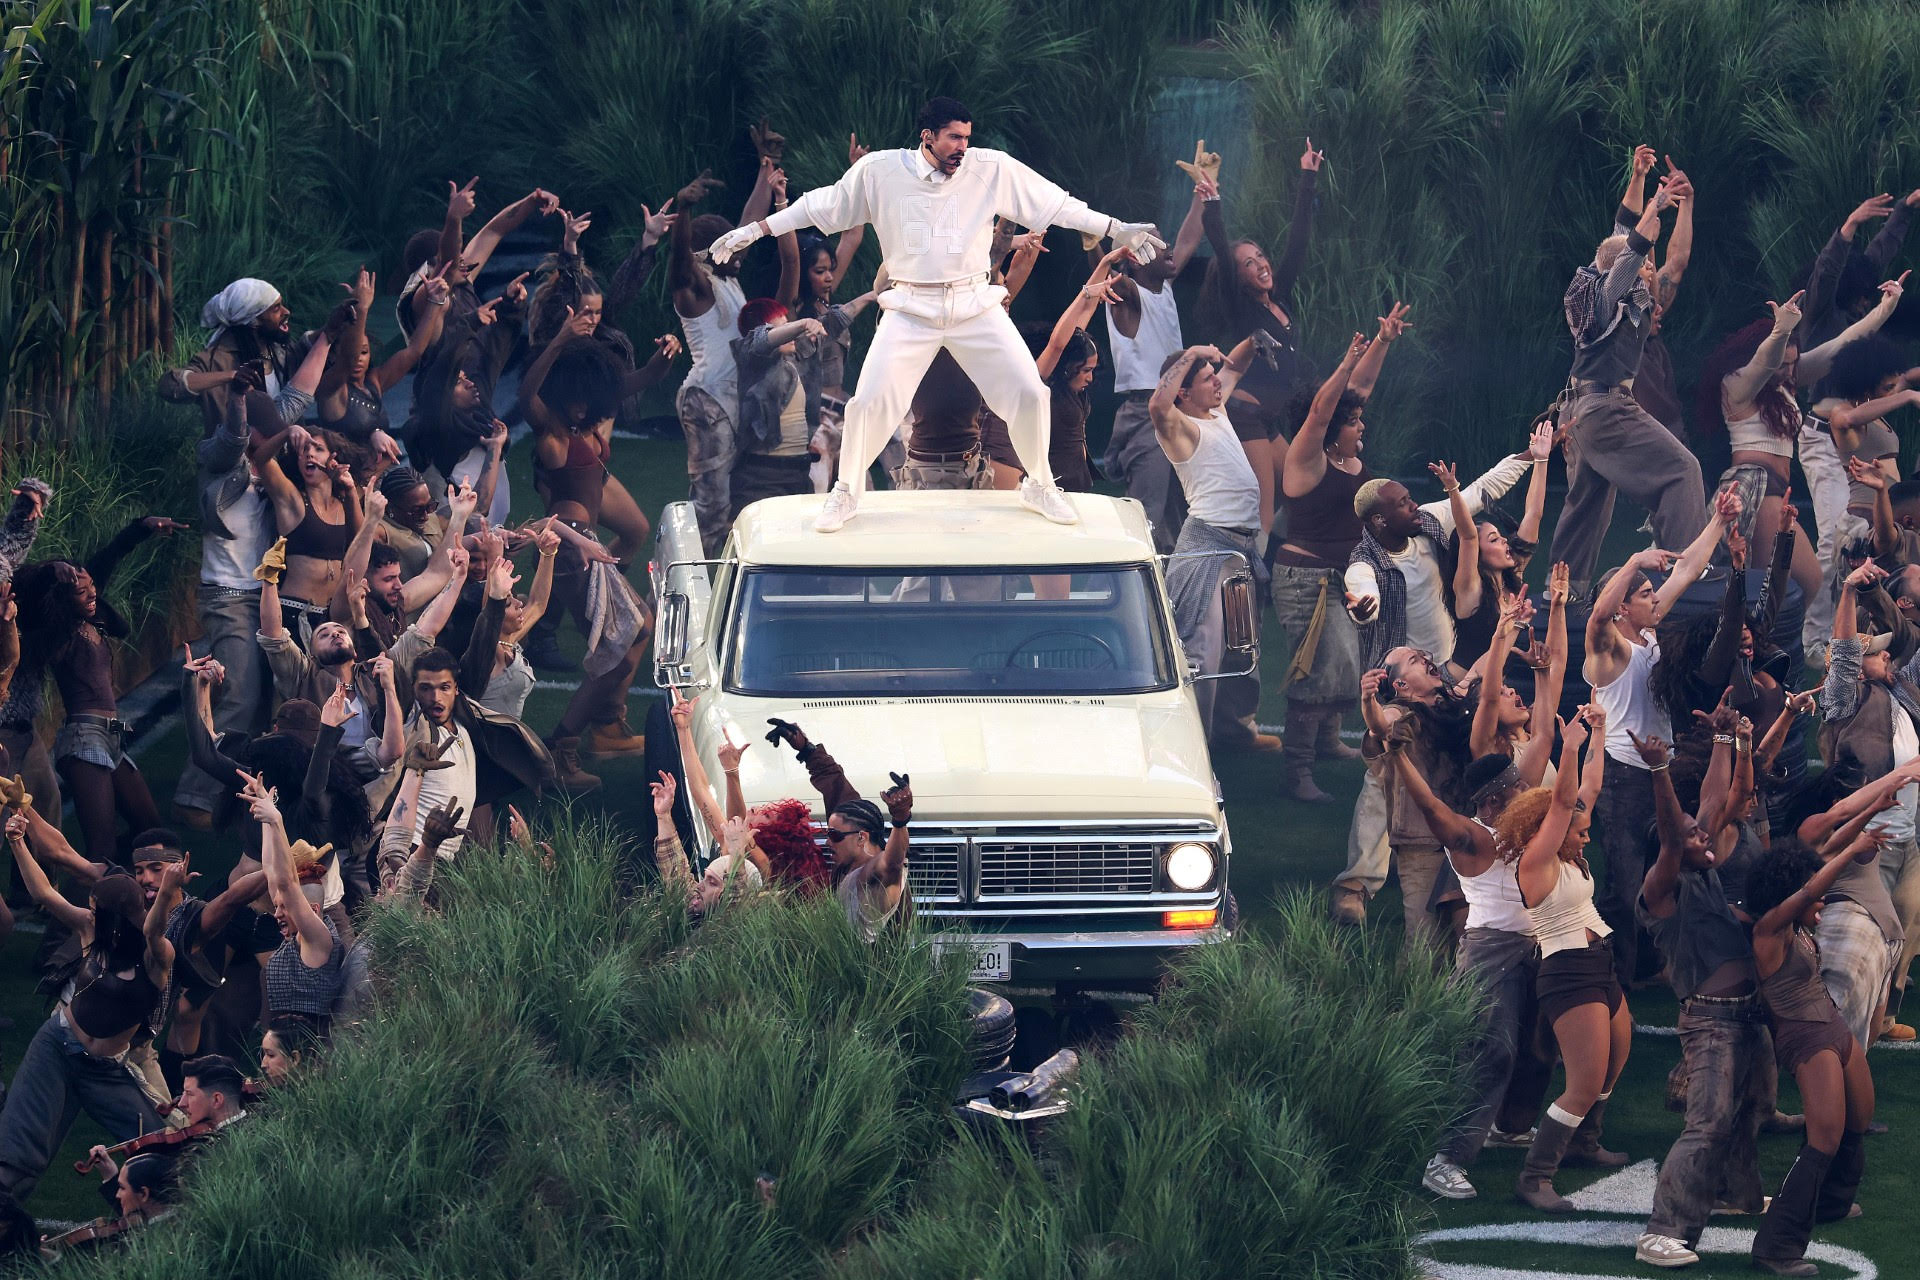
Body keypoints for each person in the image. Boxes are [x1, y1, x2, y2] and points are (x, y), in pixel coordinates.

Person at [708, 96, 1165, 533]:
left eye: (966, 138)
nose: (961, 148)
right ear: (927, 137)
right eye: (952, 138)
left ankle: (1040, 485)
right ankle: (846, 491)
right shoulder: (880, 171)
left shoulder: (990, 168)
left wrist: (1114, 226)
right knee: (869, 402)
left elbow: (1056, 204)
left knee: (1029, 390)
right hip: (910, 307)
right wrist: (754, 230)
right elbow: (819, 205)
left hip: (973, 305)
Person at [1629, 730, 1772, 1268]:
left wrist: (1726, 737)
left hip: (1748, 1017)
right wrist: (1659, 770)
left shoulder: (1707, 875)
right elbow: (1673, 835)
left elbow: (1711, 803)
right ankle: (1661, 1232)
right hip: (1711, 1023)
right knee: (1708, 1122)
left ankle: (1738, 1195)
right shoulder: (1662, 890)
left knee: (1752, 1108)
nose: (1704, 836)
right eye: (1694, 836)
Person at [1583, 490, 1737, 987]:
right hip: (1623, 779)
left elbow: (1688, 569)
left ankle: (1653, 962)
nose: (1657, 598)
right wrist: (1631, 560)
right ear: (1626, 604)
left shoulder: (1647, 633)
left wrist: (1717, 518)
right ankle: (1616, 978)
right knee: (1626, 880)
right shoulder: (1608, 651)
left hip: (1658, 770)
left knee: (1673, 859)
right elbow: (1596, 618)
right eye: (1646, 594)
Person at [1745, 814, 1890, 1277]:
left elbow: (1815, 865)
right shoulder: (1769, 929)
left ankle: (1831, 1203)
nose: (1821, 898)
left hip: (1831, 1027)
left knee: (1859, 1117)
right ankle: (1776, 1246)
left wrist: (1858, 829)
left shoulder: (1798, 928)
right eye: (1811, 893)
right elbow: (1810, 887)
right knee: (1823, 1136)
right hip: (1805, 1038)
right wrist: (1850, 853)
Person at [1548, 169, 1705, 594]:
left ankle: (1564, 589)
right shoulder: (1607, 296)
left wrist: (1640, 181)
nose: (1651, 269)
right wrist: (1656, 206)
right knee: (1682, 470)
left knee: (1588, 502)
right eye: (1645, 265)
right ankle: (1684, 577)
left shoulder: (1601, 293)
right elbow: (1628, 254)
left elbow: (1620, 235)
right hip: (1605, 408)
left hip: (1580, 413)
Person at [1272, 317, 1407, 800]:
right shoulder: (1307, 458)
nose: (1360, 424)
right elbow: (1321, 410)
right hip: (1307, 579)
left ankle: (1328, 743)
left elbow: (1358, 390)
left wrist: (1382, 344)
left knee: (1346, 666)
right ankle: (1299, 772)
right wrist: (1347, 359)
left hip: (1345, 578)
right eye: (1351, 422)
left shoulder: (1347, 455)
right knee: (1318, 668)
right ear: (1330, 428)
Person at [1394, 746, 1536, 1202]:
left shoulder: (1517, 822)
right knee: (1488, 1053)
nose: (1527, 791)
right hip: (1489, 956)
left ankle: (1506, 1128)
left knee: (1534, 1046)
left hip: (1534, 949)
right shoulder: (1473, 837)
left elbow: (1543, 755)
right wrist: (1398, 756)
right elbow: (1431, 806)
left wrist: (1547, 685)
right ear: (1493, 800)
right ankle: (1445, 1158)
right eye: (1518, 788)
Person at [1503, 705, 1631, 1213]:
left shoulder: (1569, 857)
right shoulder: (1535, 861)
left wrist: (1599, 733)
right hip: (1569, 972)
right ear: (1549, 829)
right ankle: (1535, 1178)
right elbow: (1562, 803)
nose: (1586, 835)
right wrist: (1571, 747)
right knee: (1582, 1084)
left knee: (1615, 1060)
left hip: (1600, 963)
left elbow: (1586, 793)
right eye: (1578, 831)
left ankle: (1583, 1142)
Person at [0, 822, 170, 1200]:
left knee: (160, 1146)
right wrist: (16, 841)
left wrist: (170, 890)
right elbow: (43, 892)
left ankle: (156, 1219)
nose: (87, 910)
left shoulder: (155, 955)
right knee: (16, 1154)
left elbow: (156, 930)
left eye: (96, 907)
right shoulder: (90, 927)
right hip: (56, 1047)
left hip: (106, 1070)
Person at [15, 514, 187, 862]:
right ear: (64, 599)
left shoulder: (89, 615)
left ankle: (122, 886)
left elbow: (108, 557)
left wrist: (141, 529)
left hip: (112, 738)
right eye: (82, 591)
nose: (93, 592)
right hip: (83, 741)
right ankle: (80, 911)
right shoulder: (58, 634)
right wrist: (50, 574)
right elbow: (26, 591)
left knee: (150, 829)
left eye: (92, 585)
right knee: (101, 846)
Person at [1150, 341, 1281, 752]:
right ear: (1184, 392)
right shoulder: (1181, 429)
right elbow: (1157, 405)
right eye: (1207, 379)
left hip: (1238, 549)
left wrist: (1254, 342)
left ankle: (1235, 733)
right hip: (1206, 548)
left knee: (1242, 649)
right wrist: (1189, 353)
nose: (1218, 382)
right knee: (1202, 656)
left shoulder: (1214, 409)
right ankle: (1195, 751)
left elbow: (1235, 365)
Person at [1199, 139, 1322, 529]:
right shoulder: (1241, 307)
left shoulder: (1279, 298)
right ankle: (1256, 580)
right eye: (1249, 265)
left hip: (1270, 420)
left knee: (1302, 491)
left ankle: (1268, 556)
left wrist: (1308, 176)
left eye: (1261, 258)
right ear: (1239, 277)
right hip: (1247, 416)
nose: (1261, 267)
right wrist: (1212, 204)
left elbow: (1298, 243)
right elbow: (1220, 248)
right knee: (1265, 509)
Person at [1099, 158, 1210, 551]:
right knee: (1148, 514)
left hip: (1178, 408)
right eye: (1155, 242)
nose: (1168, 248)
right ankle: (1134, 593)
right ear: (1133, 256)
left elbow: (1188, 240)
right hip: (1147, 410)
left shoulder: (1163, 290)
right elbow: (1103, 281)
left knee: (1182, 514)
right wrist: (1096, 246)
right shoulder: (1127, 293)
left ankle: (1175, 597)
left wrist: (1203, 193)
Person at [669, 168, 749, 555]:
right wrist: (682, 211)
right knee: (712, 511)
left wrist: (767, 174)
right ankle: (691, 593)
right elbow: (679, 266)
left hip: (726, 402)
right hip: (707, 402)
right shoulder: (697, 284)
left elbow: (749, 226)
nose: (741, 252)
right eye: (731, 245)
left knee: (726, 504)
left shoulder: (728, 279)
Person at [316, 265, 447, 464]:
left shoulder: (374, 381)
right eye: (354, 352)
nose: (359, 358)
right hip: (341, 478)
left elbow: (414, 351)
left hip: (375, 476)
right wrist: (361, 308)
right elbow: (348, 360)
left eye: (365, 352)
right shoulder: (330, 389)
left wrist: (434, 302)